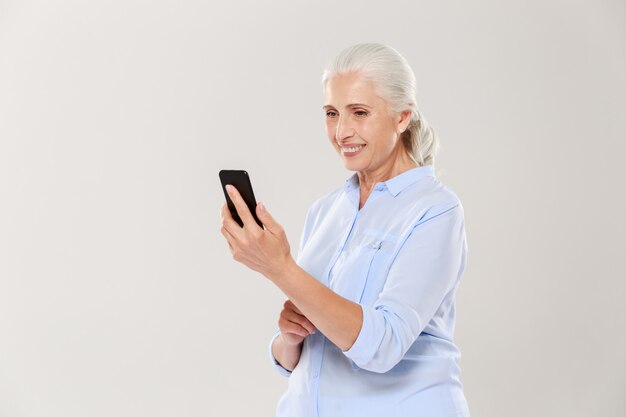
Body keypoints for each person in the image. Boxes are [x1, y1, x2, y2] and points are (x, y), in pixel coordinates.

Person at [220, 43, 470, 417]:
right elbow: (302, 358)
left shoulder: (435, 210)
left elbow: (383, 345)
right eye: (332, 113)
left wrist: (280, 268)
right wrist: (289, 339)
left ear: (402, 117)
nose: (341, 132)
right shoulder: (326, 211)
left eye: (359, 112)